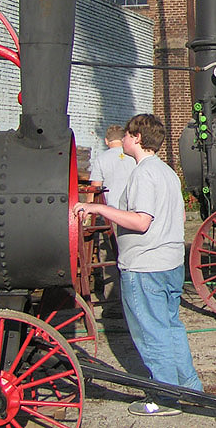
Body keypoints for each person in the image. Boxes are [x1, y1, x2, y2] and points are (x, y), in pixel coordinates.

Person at [74, 114, 202, 417]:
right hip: (170, 263)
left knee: (150, 331)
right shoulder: (168, 172)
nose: (125, 140)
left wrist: (97, 207)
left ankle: (166, 398)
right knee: (170, 327)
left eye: (129, 135)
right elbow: (181, 217)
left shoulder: (144, 173)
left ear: (138, 139)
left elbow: (141, 221)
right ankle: (190, 389)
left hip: (146, 266)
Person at [89, 124, 136, 313]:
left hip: (110, 215)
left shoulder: (102, 159)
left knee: (108, 259)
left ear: (106, 141)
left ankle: (114, 304)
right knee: (131, 257)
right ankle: (133, 301)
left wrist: (89, 212)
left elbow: (95, 188)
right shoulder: (133, 157)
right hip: (132, 213)